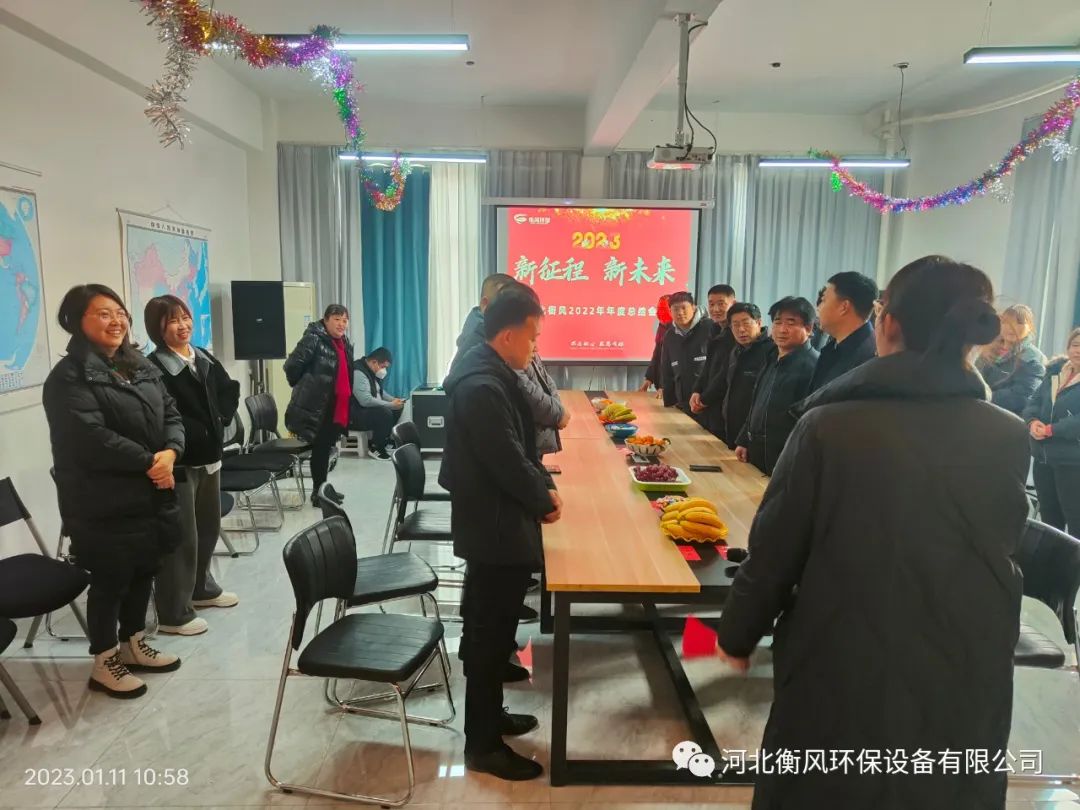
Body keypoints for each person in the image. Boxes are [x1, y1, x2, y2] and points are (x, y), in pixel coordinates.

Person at [715, 255, 1028, 810]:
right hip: (968, 651)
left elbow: (776, 549)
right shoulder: (1006, 432)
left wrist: (738, 634)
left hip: (843, 646)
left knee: (826, 780)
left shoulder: (828, 425)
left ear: (888, 323)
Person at [439, 290, 561, 781]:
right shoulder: (481, 385)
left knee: (493, 631)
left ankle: (491, 718)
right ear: (508, 335)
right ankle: (483, 745)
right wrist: (542, 498)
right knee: (488, 636)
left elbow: (519, 449)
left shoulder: (491, 371)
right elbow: (506, 459)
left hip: (496, 521)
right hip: (493, 528)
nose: (535, 347)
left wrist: (542, 486)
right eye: (532, 338)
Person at [43, 284, 185, 699]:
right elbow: (91, 437)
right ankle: (104, 661)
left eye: (119, 312)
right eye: (103, 314)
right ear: (76, 321)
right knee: (111, 578)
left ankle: (133, 643)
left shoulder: (137, 364)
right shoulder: (68, 376)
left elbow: (171, 412)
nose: (116, 321)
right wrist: (151, 462)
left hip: (150, 490)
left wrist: (171, 453)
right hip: (101, 499)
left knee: (144, 569)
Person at [144, 295, 241, 637]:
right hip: (180, 462)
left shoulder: (202, 356)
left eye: (185, 317)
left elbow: (229, 390)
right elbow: (160, 415)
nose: (182, 325)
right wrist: (197, 431)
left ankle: (202, 589)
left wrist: (220, 419)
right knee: (182, 538)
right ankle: (174, 612)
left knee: (207, 528)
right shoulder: (153, 368)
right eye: (172, 321)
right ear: (157, 329)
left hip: (210, 457)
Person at [735, 297, 819, 475]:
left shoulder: (814, 366)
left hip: (786, 459)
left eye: (791, 323)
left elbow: (810, 423)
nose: (782, 329)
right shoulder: (772, 358)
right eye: (777, 322)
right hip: (758, 452)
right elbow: (757, 403)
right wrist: (744, 439)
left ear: (809, 328)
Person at [284, 304, 354, 506]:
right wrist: (305, 386)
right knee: (321, 449)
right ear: (326, 319)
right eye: (337, 319)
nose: (341, 324)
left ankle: (323, 489)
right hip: (318, 405)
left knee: (326, 448)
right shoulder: (314, 338)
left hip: (335, 404)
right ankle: (318, 493)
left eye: (345, 320)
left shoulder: (342, 341)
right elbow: (292, 365)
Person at [1024, 326, 1080, 535]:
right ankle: (1050, 556)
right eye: (1075, 345)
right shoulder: (1055, 372)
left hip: (1072, 461)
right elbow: (1034, 401)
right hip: (1043, 456)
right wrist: (1032, 421)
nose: (1078, 350)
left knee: (1075, 520)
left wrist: (1052, 429)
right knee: (1048, 520)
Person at [808, 271, 878, 393]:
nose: (818, 308)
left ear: (844, 307)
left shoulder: (871, 357)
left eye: (823, 300)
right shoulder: (833, 348)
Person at [719, 303, 773, 449]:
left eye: (746, 323)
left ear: (759, 323)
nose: (741, 329)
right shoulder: (736, 351)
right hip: (731, 428)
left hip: (754, 435)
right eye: (735, 325)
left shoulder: (771, 352)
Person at [977, 304, 1047, 416]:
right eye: (1006, 322)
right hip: (981, 411)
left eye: (1019, 322)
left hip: (1010, 419)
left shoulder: (1032, 357)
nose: (1012, 327)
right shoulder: (988, 349)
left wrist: (984, 396)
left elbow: (1023, 395)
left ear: (1030, 327)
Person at [446, 273, 518, 380]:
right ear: (485, 305)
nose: (515, 313)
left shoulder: (483, 329)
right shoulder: (480, 340)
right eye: (507, 305)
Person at [690, 285, 738, 437]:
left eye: (721, 304)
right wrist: (697, 390)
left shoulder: (736, 334)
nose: (715, 309)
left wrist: (704, 400)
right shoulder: (714, 329)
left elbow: (726, 373)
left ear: (733, 304)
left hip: (725, 409)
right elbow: (708, 365)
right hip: (709, 408)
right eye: (711, 304)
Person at [659, 291, 712, 415]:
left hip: (706, 401)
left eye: (684, 308)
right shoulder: (670, 335)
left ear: (693, 307)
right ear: (670, 311)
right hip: (682, 401)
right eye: (675, 309)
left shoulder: (710, 328)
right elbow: (666, 370)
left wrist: (706, 398)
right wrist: (669, 403)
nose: (680, 313)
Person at [350, 347, 404, 460]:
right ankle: (375, 447)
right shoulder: (358, 372)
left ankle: (383, 440)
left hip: (366, 411)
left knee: (397, 408)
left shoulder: (371, 371)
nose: (384, 370)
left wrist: (394, 400)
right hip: (354, 414)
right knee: (384, 412)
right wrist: (390, 404)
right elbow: (365, 400)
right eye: (383, 366)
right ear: (374, 362)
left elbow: (380, 392)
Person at [639, 294, 673, 394]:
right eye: (658, 309)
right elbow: (657, 354)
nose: (659, 313)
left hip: (672, 387)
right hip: (661, 387)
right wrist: (649, 378)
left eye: (663, 309)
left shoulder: (677, 330)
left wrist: (664, 386)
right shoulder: (662, 326)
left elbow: (671, 362)